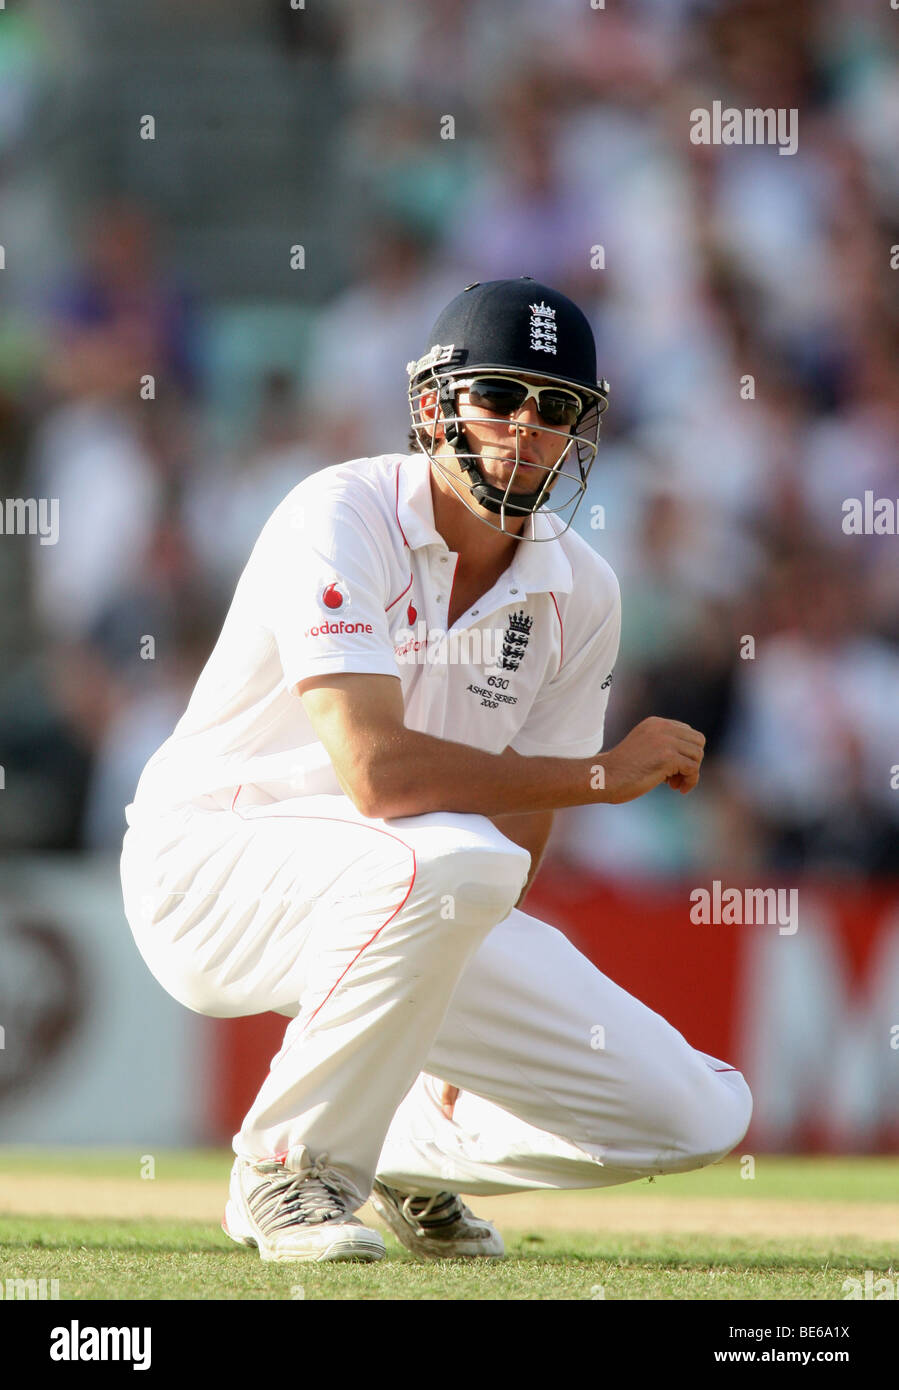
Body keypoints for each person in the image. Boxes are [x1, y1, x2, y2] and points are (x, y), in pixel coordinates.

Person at [120, 277, 752, 1264]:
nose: (525, 431)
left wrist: (448, 993)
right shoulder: (338, 511)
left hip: (417, 882)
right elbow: (376, 775)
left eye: (555, 410)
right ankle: (287, 1169)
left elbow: (516, 840)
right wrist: (597, 775)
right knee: (444, 855)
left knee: (697, 1110)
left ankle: (401, 1149)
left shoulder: (581, 592)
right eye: (498, 399)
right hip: (210, 861)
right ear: (431, 406)